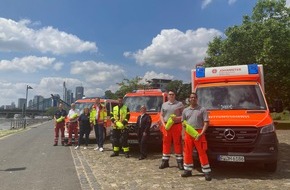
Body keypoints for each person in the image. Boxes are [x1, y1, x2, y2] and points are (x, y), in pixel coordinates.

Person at [181, 92, 212, 181]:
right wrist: (183, 134)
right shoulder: (185, 110)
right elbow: (183, 123)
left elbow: (206, 123)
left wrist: (201, 134)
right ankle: (187, 170)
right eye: (191, 97)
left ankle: (206, 172)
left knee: (202, 152)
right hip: (188, 134)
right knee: (187, 152)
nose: (193, 99)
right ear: (189, 99)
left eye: (194, 97)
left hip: (199, 133)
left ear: (197, 99)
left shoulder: (202, 109)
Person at [159, 90, 184, 170]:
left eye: (172, 94)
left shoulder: (179, 104)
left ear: (175, 95)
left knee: (177, 143)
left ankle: (179, 162)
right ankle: (165, 161)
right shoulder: (164, 104)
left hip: (176, 126)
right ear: (168, 96)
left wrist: (177, 118)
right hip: (166, 126)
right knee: (166, 143)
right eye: (170, 94)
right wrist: (163, 124)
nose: (171, 95)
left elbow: (184, 116)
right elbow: (161, 115)